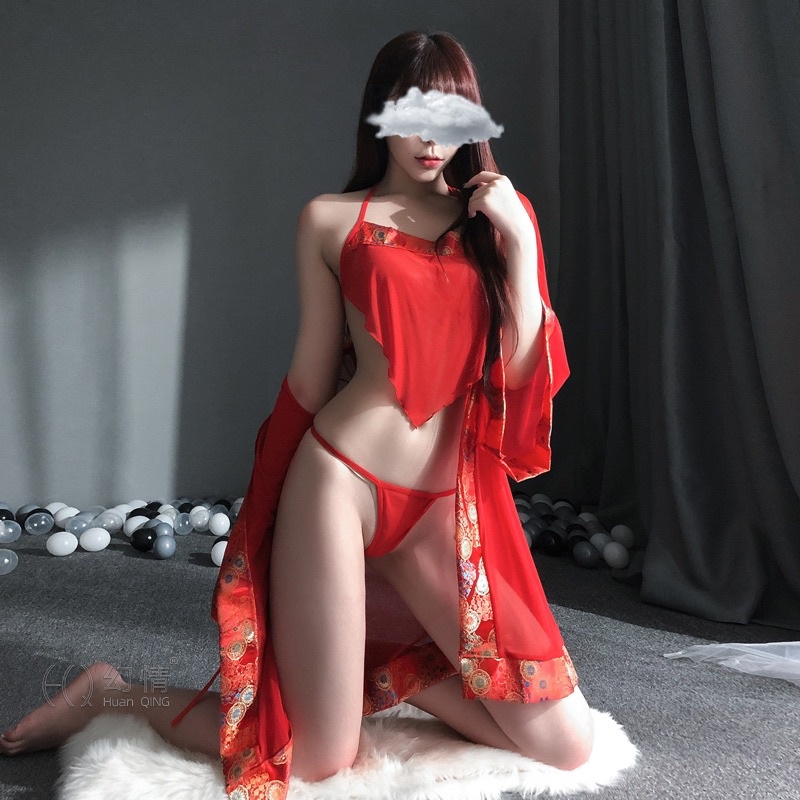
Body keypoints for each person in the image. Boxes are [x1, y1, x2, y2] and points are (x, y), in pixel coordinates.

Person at [0, 30, 594, 798]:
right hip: (341, 486)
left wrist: (519, 248)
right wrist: (268, 503)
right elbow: (312, 379)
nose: (430, 141)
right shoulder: (329, 220)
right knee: (315, 757)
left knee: (565, 744)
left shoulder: (502, 220)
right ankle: (114, 695)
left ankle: (390, 677)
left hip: (445, 507)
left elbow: (520, 375)